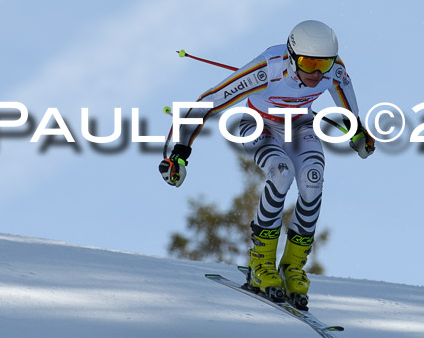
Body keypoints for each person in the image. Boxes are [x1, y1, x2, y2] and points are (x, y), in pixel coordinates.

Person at [159, 20, 374, 309]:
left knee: (313, 179)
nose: (316, 73)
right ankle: (261, 263)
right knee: (281, 173)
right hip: (258, 124)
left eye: (323, 64)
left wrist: (359, 133)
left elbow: (349, 107)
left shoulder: (334, 72)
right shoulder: (267, 69)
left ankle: (293, 267)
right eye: (309, 62)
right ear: (291, 55)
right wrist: (179, 153)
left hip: (299, 124)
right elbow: (207, 103)